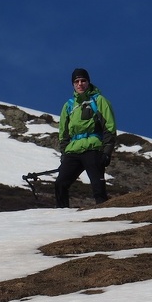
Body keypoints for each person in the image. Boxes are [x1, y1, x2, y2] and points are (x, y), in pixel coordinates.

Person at [54, 68, 117, 208]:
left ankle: (104, 214)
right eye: (76, 81)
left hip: (93, 148)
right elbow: (63, 134)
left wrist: (106, 151)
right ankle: (61, 214)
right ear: (73, 84)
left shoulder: (99, 101)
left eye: (83, 80)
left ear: (88, 82)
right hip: (73, 150)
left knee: (97, 185)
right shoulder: (69, 106)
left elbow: (110, 128)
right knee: (60, 184)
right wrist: (64, 153)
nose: (80, 84)